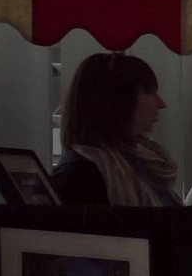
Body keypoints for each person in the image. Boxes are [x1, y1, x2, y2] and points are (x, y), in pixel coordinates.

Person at [51, 53, 181, 207]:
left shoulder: (142, 164)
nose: (161, 104)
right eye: (150, 91)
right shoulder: (78, 175)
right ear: (121, 100)